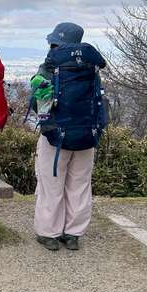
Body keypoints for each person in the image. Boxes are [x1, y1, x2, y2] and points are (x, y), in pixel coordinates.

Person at [30, 22, 106, 251]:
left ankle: (49, 233)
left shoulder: (50, 66)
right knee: (80, 184)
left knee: (51, 185)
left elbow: (38, 104)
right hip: (86, 135)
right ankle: (73, 234)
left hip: (56, 136)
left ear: (57, 42)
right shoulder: (91, 67)